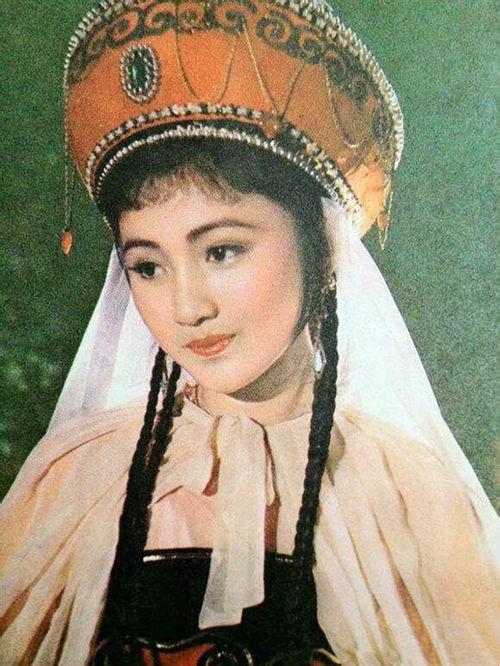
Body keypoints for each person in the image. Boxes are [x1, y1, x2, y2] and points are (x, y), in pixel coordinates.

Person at [1, 0, 498, 664]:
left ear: (323, 246)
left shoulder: (410, 496)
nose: (187, 307)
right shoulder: (75, 480)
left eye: (222, 251)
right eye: (147, 265)